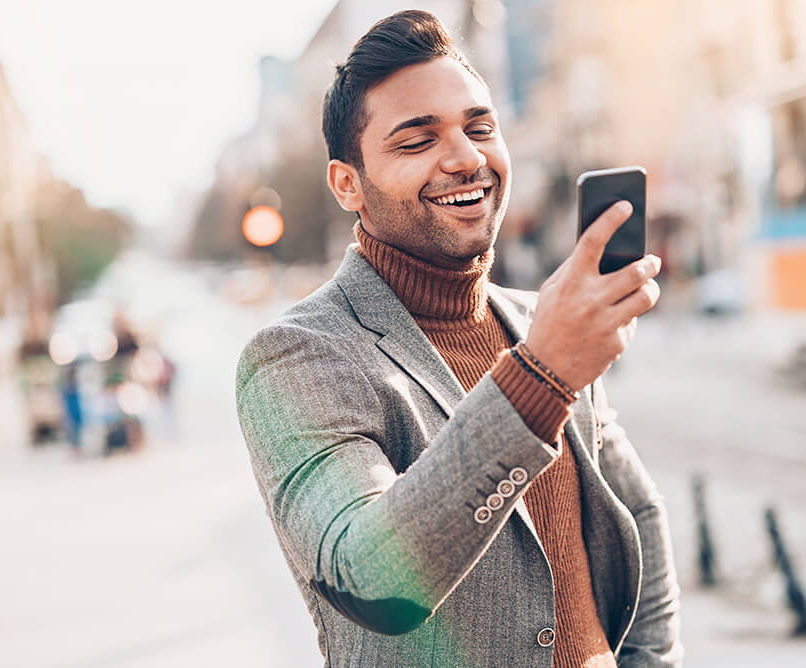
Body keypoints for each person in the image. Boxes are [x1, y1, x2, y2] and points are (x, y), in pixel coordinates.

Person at [235, 10, 682, 667]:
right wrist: (543, 373)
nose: (467, 158)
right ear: (347, 184)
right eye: (416, 141)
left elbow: (636, 514)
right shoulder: (294, 357)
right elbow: (371, 577)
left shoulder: (538, 322)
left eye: (480, 127)